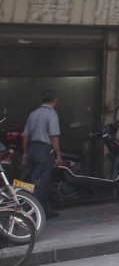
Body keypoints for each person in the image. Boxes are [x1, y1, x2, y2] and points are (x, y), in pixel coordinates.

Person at [23, 88, 63, 219]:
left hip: (32, 149)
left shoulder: (33, 114)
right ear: (55, 100)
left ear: (42, 100)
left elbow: (26, 136)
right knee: (39, 184)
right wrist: (58, 154)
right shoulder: (51, 114)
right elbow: (54, 136)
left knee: (39, 181)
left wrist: (25, 152)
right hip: (44, 150)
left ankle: (47, 210)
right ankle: (24, 212)